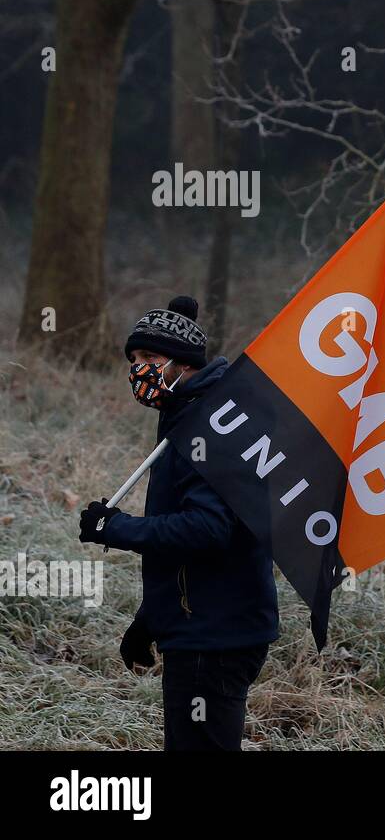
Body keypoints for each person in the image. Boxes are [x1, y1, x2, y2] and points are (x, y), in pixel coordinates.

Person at [78, 295, 278, 751]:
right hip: (200, 626)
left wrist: (116, 528)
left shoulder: (212, 424)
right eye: (133, 359)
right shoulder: (184, 413)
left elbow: (207, 530)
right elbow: (188, 537)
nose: (138, 369)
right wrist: (153, 619)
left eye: (148, 357)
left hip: (218, 636)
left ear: (183, 362)